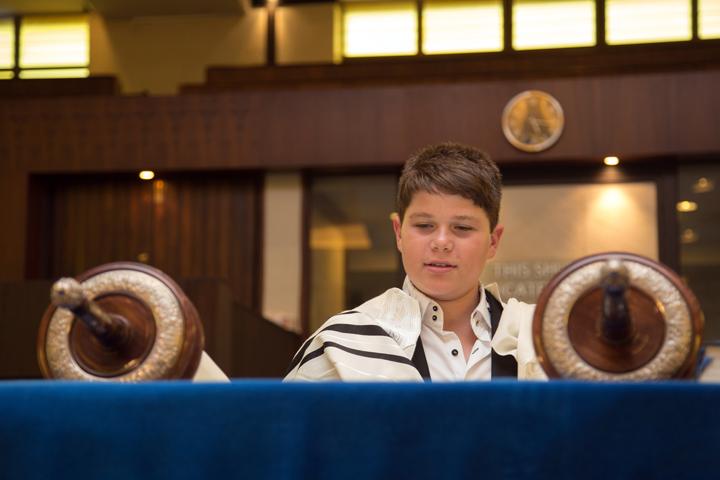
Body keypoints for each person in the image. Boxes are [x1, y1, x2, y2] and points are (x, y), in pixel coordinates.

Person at [285, 142, 545, 381]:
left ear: (493, 241)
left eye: (462, 228)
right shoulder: (339, 344)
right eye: (424, 225)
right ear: (399, 233)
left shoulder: (541, 338)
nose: (441, 242)